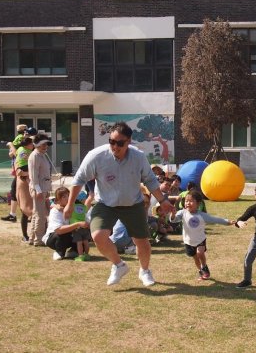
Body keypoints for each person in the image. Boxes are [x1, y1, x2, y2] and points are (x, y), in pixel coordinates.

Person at [64, 122, 175, 287]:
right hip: (105, 204)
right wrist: (70, 204)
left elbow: (150, 180)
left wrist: (163, 200)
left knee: (142, 241)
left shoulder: (138, 157)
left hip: (133, 203)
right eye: (111, 141)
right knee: (98, 236)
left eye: (120, 143)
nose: (114, 146)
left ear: (129, 142)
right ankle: (119, 265)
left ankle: (145, 271)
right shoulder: (96, 156)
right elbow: (79, 179)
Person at [170, 190, 234, 280]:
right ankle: (201, 270)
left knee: (200, 253)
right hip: (188, 241)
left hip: (200, 240)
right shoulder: (182, 212)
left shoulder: (202, 215)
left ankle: (204, 266)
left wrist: (228, 222)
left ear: (198, 203)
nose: (188, 203)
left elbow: (215, 219)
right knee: (195, 259)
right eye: (186, 201)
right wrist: (173, 214)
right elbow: (174, 220)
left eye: (191, 201)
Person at [43, 187, 87, 261]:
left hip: (71, 234)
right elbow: (59, 230)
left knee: (84, 233)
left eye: (69, 196)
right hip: (54, 237)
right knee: (63, 233)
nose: (67, 198)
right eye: (64, 197)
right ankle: (59, 252)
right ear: (58, 200)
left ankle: (73, 251)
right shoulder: (55, 211)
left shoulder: (75, 207)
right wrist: (77, 224)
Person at [27, 133, 52, 246]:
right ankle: (39, 239)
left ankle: (32, 238)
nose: (45, 147)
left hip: (43, 188)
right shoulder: (35, 156)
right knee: (40, 215)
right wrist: (38, 190)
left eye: (46, 144)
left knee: (37, 213)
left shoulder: (42, 155)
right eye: (43, 145)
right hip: (38, 189)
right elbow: (33, 176)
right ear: (37, 145)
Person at [1, 124, 28, 223]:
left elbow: (16, 152)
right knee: (14, 191)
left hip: (22, 168)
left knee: (19, 191)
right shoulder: (21, 139)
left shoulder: (22, 139)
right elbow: (11, 154)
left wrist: (11, 145)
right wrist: (12, 148)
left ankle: (25, 214)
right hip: (19, 168)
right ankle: (13, 214)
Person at [14, 137, 34, 243]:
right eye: (32, 143)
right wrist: (28, 174)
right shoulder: (23, 151)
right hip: (24, 180)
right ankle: (25, 235)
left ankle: (34, 234)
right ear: (27, 144)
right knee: (25, 210)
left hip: (30, 180)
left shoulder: (28, 150)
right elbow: (19, 170)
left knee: (36, 211)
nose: (33, 145)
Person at [70, 191, 91, 261]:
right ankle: (87, 255)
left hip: (77, 227)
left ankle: (81, 256)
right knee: (86, 242)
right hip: (84, 226)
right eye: (85, 198)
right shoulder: (84, 207)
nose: (85, 200)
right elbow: (86, 215)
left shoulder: (72, 206)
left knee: (79, 242)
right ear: (81, 200)